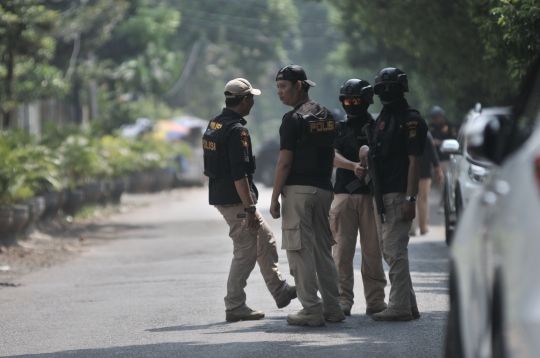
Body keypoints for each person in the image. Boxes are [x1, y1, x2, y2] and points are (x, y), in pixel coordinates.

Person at [202, 78, 296, 322]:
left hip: (226, 197)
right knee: (245, 251)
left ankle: (281, 292)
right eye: (251, 97)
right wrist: (250, 207)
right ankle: (234, 305)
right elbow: (239, 173)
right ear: (245, 100)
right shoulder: (236, 131)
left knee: (266, 240)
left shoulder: (215, 124)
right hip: (237, 201)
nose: (253, 102)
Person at [269, 65, 344, 326]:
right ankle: (333, 308)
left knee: (300, 251)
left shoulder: (292, 119)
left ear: (299, 85)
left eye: (283, 87)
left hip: (299, 193)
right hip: (324, 191)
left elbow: (284, 163)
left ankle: (311, 309)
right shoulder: (327, 114)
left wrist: (274, 196)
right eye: (277, 87)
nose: (279, 92)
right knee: (322, 251)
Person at [359, 67, 427, 321]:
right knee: (390, 250)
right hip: (381, 194)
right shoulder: (382, 119)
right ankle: (408, 304)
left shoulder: (411, 120)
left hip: (399, 193)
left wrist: (411, 198)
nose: (387, 92)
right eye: (383, 88)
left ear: (402, 89)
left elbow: (415, 161)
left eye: (392, 87)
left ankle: (398, 306)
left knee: (395, 249)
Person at [330, 79, 388, 317]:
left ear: (365, 101)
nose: (351, 104)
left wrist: (369, 153)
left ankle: (375, 301)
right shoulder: (339, 128)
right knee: (342, 252)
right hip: (344, 195)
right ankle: (343, 300)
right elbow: (330, 155)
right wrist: (353, 165)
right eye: (346, 100)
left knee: (372, 252)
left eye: (355, 100)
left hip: (371, 197)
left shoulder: (378, 127)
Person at [409, 132, 444, 236]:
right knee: (423, 200)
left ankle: (413, 228)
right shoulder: (425, 134)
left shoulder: (405, 132)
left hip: (409, 172)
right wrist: (438, 170)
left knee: (411, 199)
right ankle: (423, 227)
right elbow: (433, 153)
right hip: (424, 172)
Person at [428, 106, 458, 210]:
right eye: (433, 118)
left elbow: (455, 140)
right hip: (432, 159)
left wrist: (440, 143)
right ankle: (423, 202)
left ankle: (443, 203)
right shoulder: (430, 128)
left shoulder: (450, 127)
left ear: (441, 117)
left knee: (444, 180)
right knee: (428, 180)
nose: (434, 120)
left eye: (436, 118)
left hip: (445, 158)